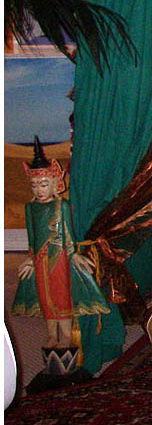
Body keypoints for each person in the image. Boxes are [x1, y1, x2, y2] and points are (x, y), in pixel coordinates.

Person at [11, 138, 110, 354]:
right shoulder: (30, 208)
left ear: (55, 184)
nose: (39, 190)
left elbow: (68, 235)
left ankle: (65, 335)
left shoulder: (61, 206)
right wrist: (30, 259)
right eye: (35, 185)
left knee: (61, 295)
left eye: (43, 184)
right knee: (45, 296)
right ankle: (51, 334)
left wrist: (74, 255)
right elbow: (32, 237)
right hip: (40, 259)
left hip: (59, 257)